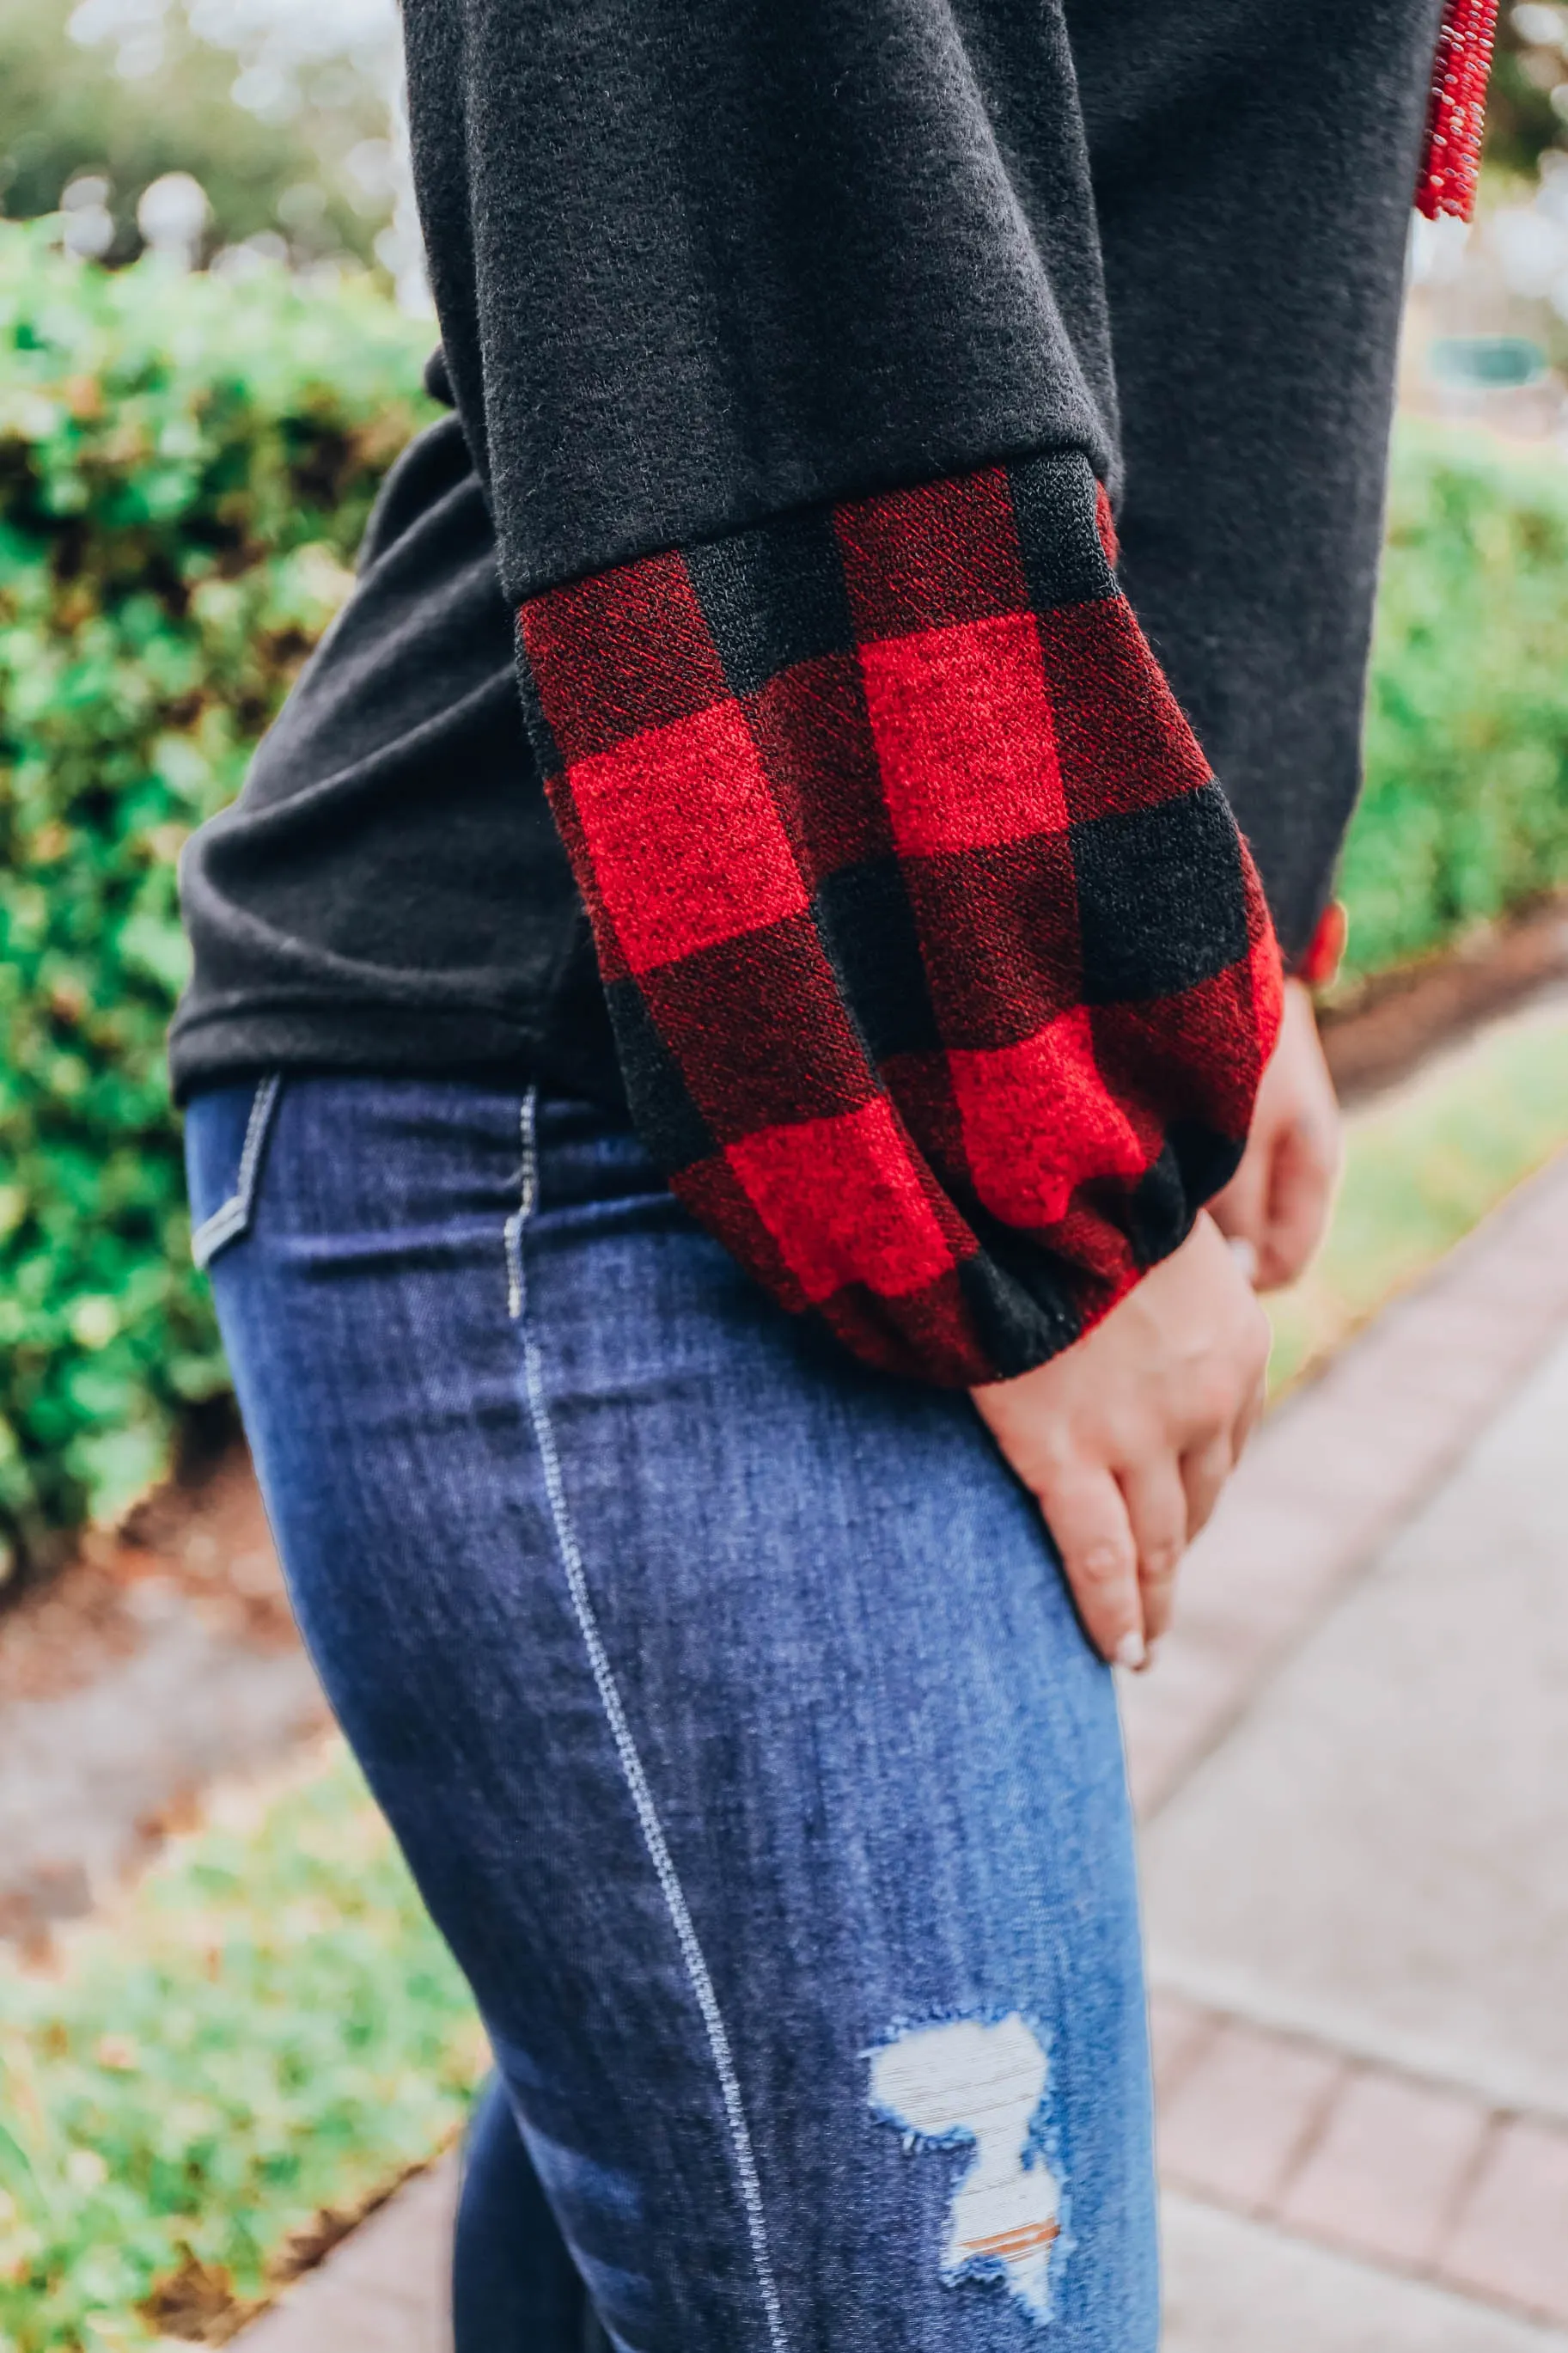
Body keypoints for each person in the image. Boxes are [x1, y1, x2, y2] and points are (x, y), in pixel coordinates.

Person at [174, 2, 1488, 2342]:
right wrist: (1025, 1144)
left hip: (764, 1075)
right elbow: (739, 135)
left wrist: (1218, 949)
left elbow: (1158, 235)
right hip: (639, 1115)